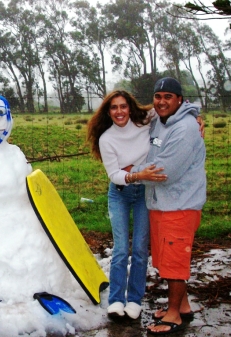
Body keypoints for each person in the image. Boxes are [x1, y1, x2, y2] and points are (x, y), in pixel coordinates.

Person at [129, 78, 206, 335]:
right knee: (165, 258)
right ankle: (182, 305)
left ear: (180, 100)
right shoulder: (159, 121)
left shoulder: (185, 128)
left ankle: (173, 316)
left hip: (180, 205)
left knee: (175, 260)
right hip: (162, 203)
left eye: (168, 96)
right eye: (158, 96)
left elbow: (165, 172)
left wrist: (131, 171)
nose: (162, 101)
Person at [87, 90, 168, 320]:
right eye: (114, 107)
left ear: (130, 107)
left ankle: (134, 300)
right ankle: (115, 301)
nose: (119, 111)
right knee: (121, 249)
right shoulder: (107, 138)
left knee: (141, 249)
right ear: (108, 112)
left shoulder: (145, 122)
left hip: (145, 191)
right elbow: (114, 175)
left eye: (123, 106)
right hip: (120, 194)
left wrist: (197, 118)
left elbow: (172, 107)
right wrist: (137, 173)